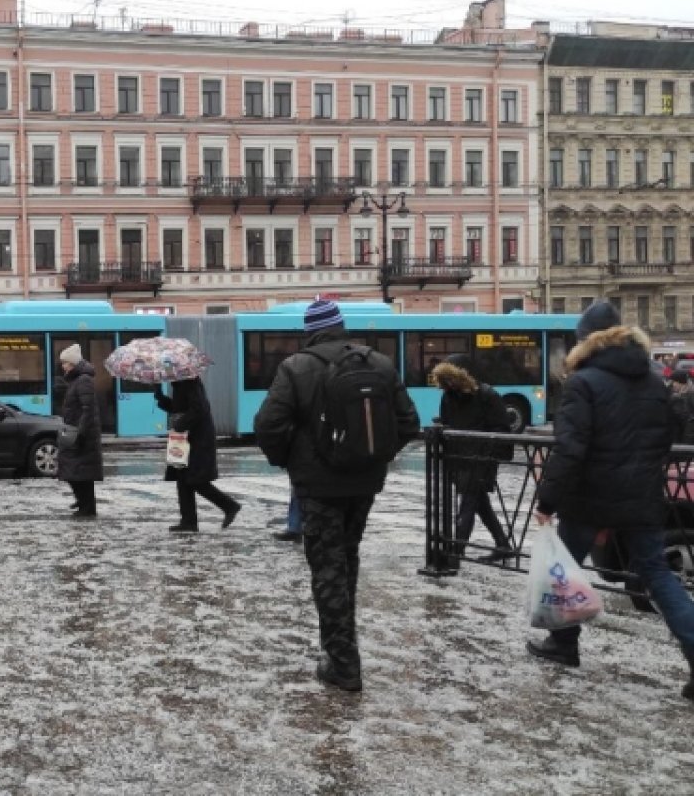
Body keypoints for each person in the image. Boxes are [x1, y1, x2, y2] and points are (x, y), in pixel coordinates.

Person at [531, 301, 694, 702]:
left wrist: (547, 500)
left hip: (589, 498)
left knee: (565, 570)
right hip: (642, 498)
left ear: (584, 341)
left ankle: (564, 644)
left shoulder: (583, 383)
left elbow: (570, 450)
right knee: (657, 575)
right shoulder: (655, 380)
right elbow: (666, 437)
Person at [254, 300, 420, 692]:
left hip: (319, 487)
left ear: (309, 331)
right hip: (364, 485)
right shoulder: (378, 363)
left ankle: (343, 663)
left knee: (327, 567)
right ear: (342, 327)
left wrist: (291, 462)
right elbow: (408, 422)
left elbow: (268, 426)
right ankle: (343, 646)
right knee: (347, 558)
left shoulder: (296, 367)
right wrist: (375, 457)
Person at [432, 354, 515, 563]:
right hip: (459, 459)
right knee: (479, 504)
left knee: (468, 504)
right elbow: (448, 422)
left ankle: (455, 553)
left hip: (480, 460)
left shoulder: (487, 395)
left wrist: (486, 454)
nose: (447, 385)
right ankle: (503, 544)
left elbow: (502, 429)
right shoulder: (449, 396)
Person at [155, 378, 240, 533]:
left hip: (198, 438)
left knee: (195, 479)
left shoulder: (190, 382)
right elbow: (180, 409)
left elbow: (199, 409)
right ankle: (188, 521)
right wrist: (161, 399)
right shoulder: (179, 383)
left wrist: (181, 424)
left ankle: (229, 506)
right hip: (184, 438)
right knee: (182, 478)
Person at [56, 344, 102, 519]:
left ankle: (87, 507)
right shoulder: (77, 380)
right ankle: (83, 502)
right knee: (75, 470)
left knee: (80, 472)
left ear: (73, 364)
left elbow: (87, 409)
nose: (63, 366)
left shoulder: (83, 380)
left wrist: (80, 433)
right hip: (76, 430)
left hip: (81, 434)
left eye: (65, 363)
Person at [668, 370, 694, 445]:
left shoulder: (687, 397)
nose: (672, 385)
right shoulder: (677, 395)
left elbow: (688, 422)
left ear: (680, 383)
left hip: (685, 442)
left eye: (674, 382)